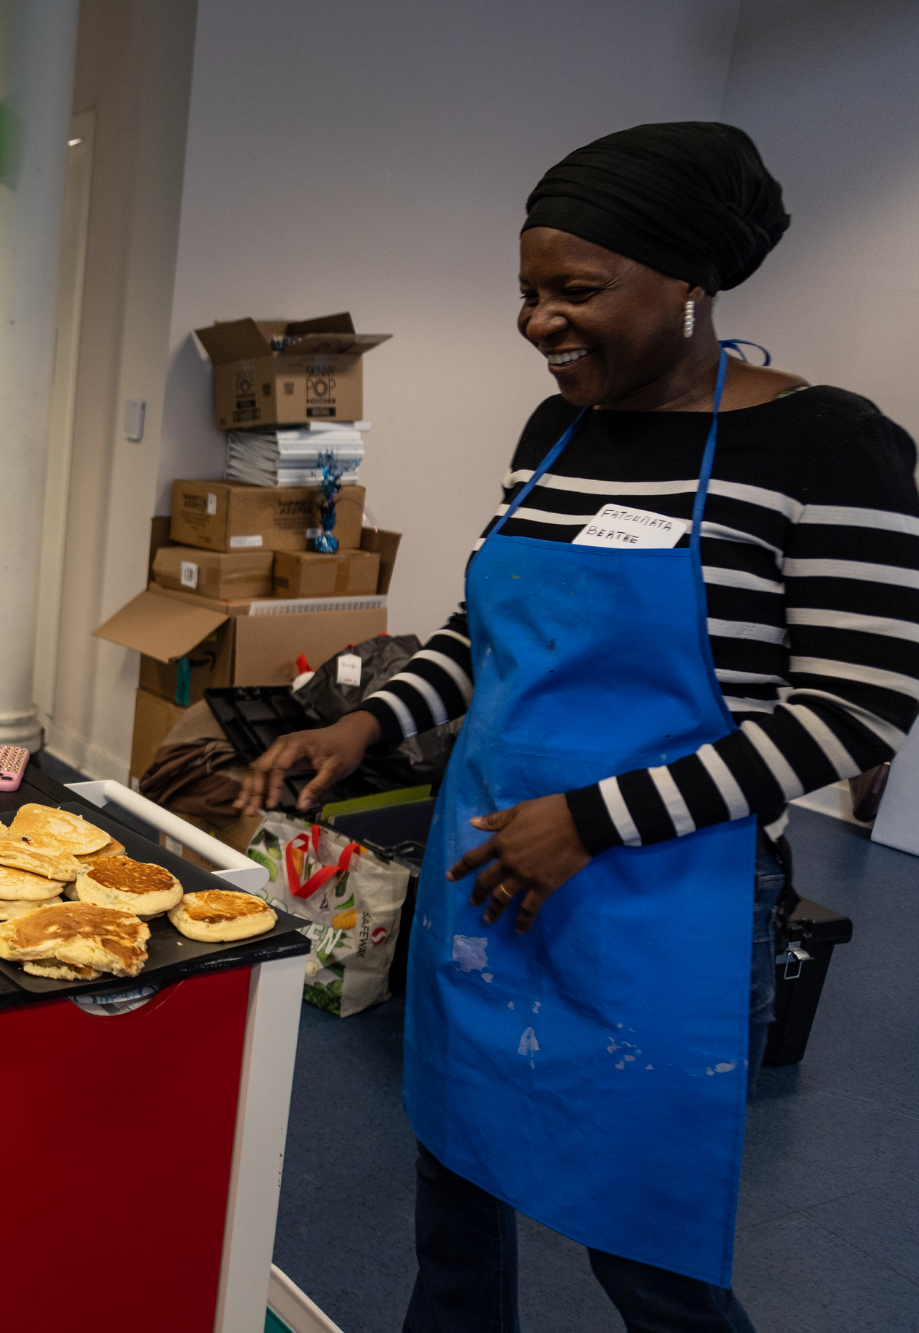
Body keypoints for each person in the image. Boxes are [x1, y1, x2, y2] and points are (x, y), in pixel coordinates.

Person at [237, 123, 919, 1331]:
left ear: (688, 283)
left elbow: (856, 705)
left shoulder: (827, 445)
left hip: (664, 904)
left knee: (645, 1252)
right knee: (452, 1190)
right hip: (482, 870)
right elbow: (484, 625)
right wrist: (371, 724)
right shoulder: (549, 434)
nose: (536, 321)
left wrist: (592, 822)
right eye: (526, 292)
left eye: (574, 290)